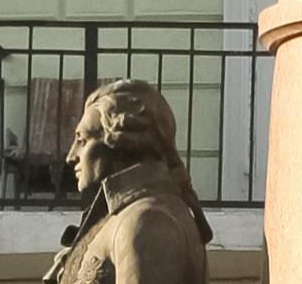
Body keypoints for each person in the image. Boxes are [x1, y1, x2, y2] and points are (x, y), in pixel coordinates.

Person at [42, 79, 209, 284]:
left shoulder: (147, 221)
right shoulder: (127, 215)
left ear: (123, 142)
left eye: (83, 141)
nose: (71, 156)